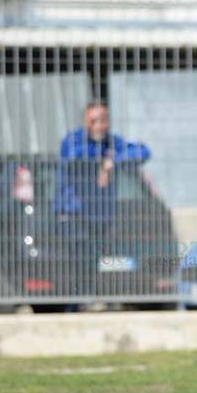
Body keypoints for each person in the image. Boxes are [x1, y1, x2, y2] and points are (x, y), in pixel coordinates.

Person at [54, 100, 151, 302]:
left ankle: (87, 300)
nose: (98, 126)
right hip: (73, 214)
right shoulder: (73, 141)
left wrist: (113, 161)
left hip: (99, 215)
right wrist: (104, 157)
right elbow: (76, 156)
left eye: (102, 120)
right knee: (77, 261)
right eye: (93, 121)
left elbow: (143, 152)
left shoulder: (113, 143)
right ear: (85, 121)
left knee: (93, 261)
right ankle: (76, 303)